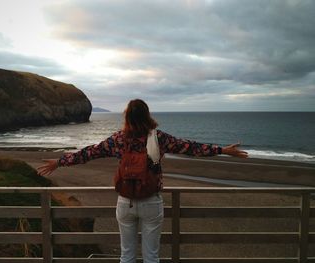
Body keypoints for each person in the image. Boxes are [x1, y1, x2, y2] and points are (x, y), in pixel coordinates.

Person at [37, 99, 248, 263]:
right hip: (151, 202)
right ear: (147, 115)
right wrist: (222, 150)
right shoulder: (158, 138)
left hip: (125, 202)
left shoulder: (118, 140)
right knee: (151, 257)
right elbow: (191, 147)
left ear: (127, 117)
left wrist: (60, 162)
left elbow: (89, 153)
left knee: (126, 256)